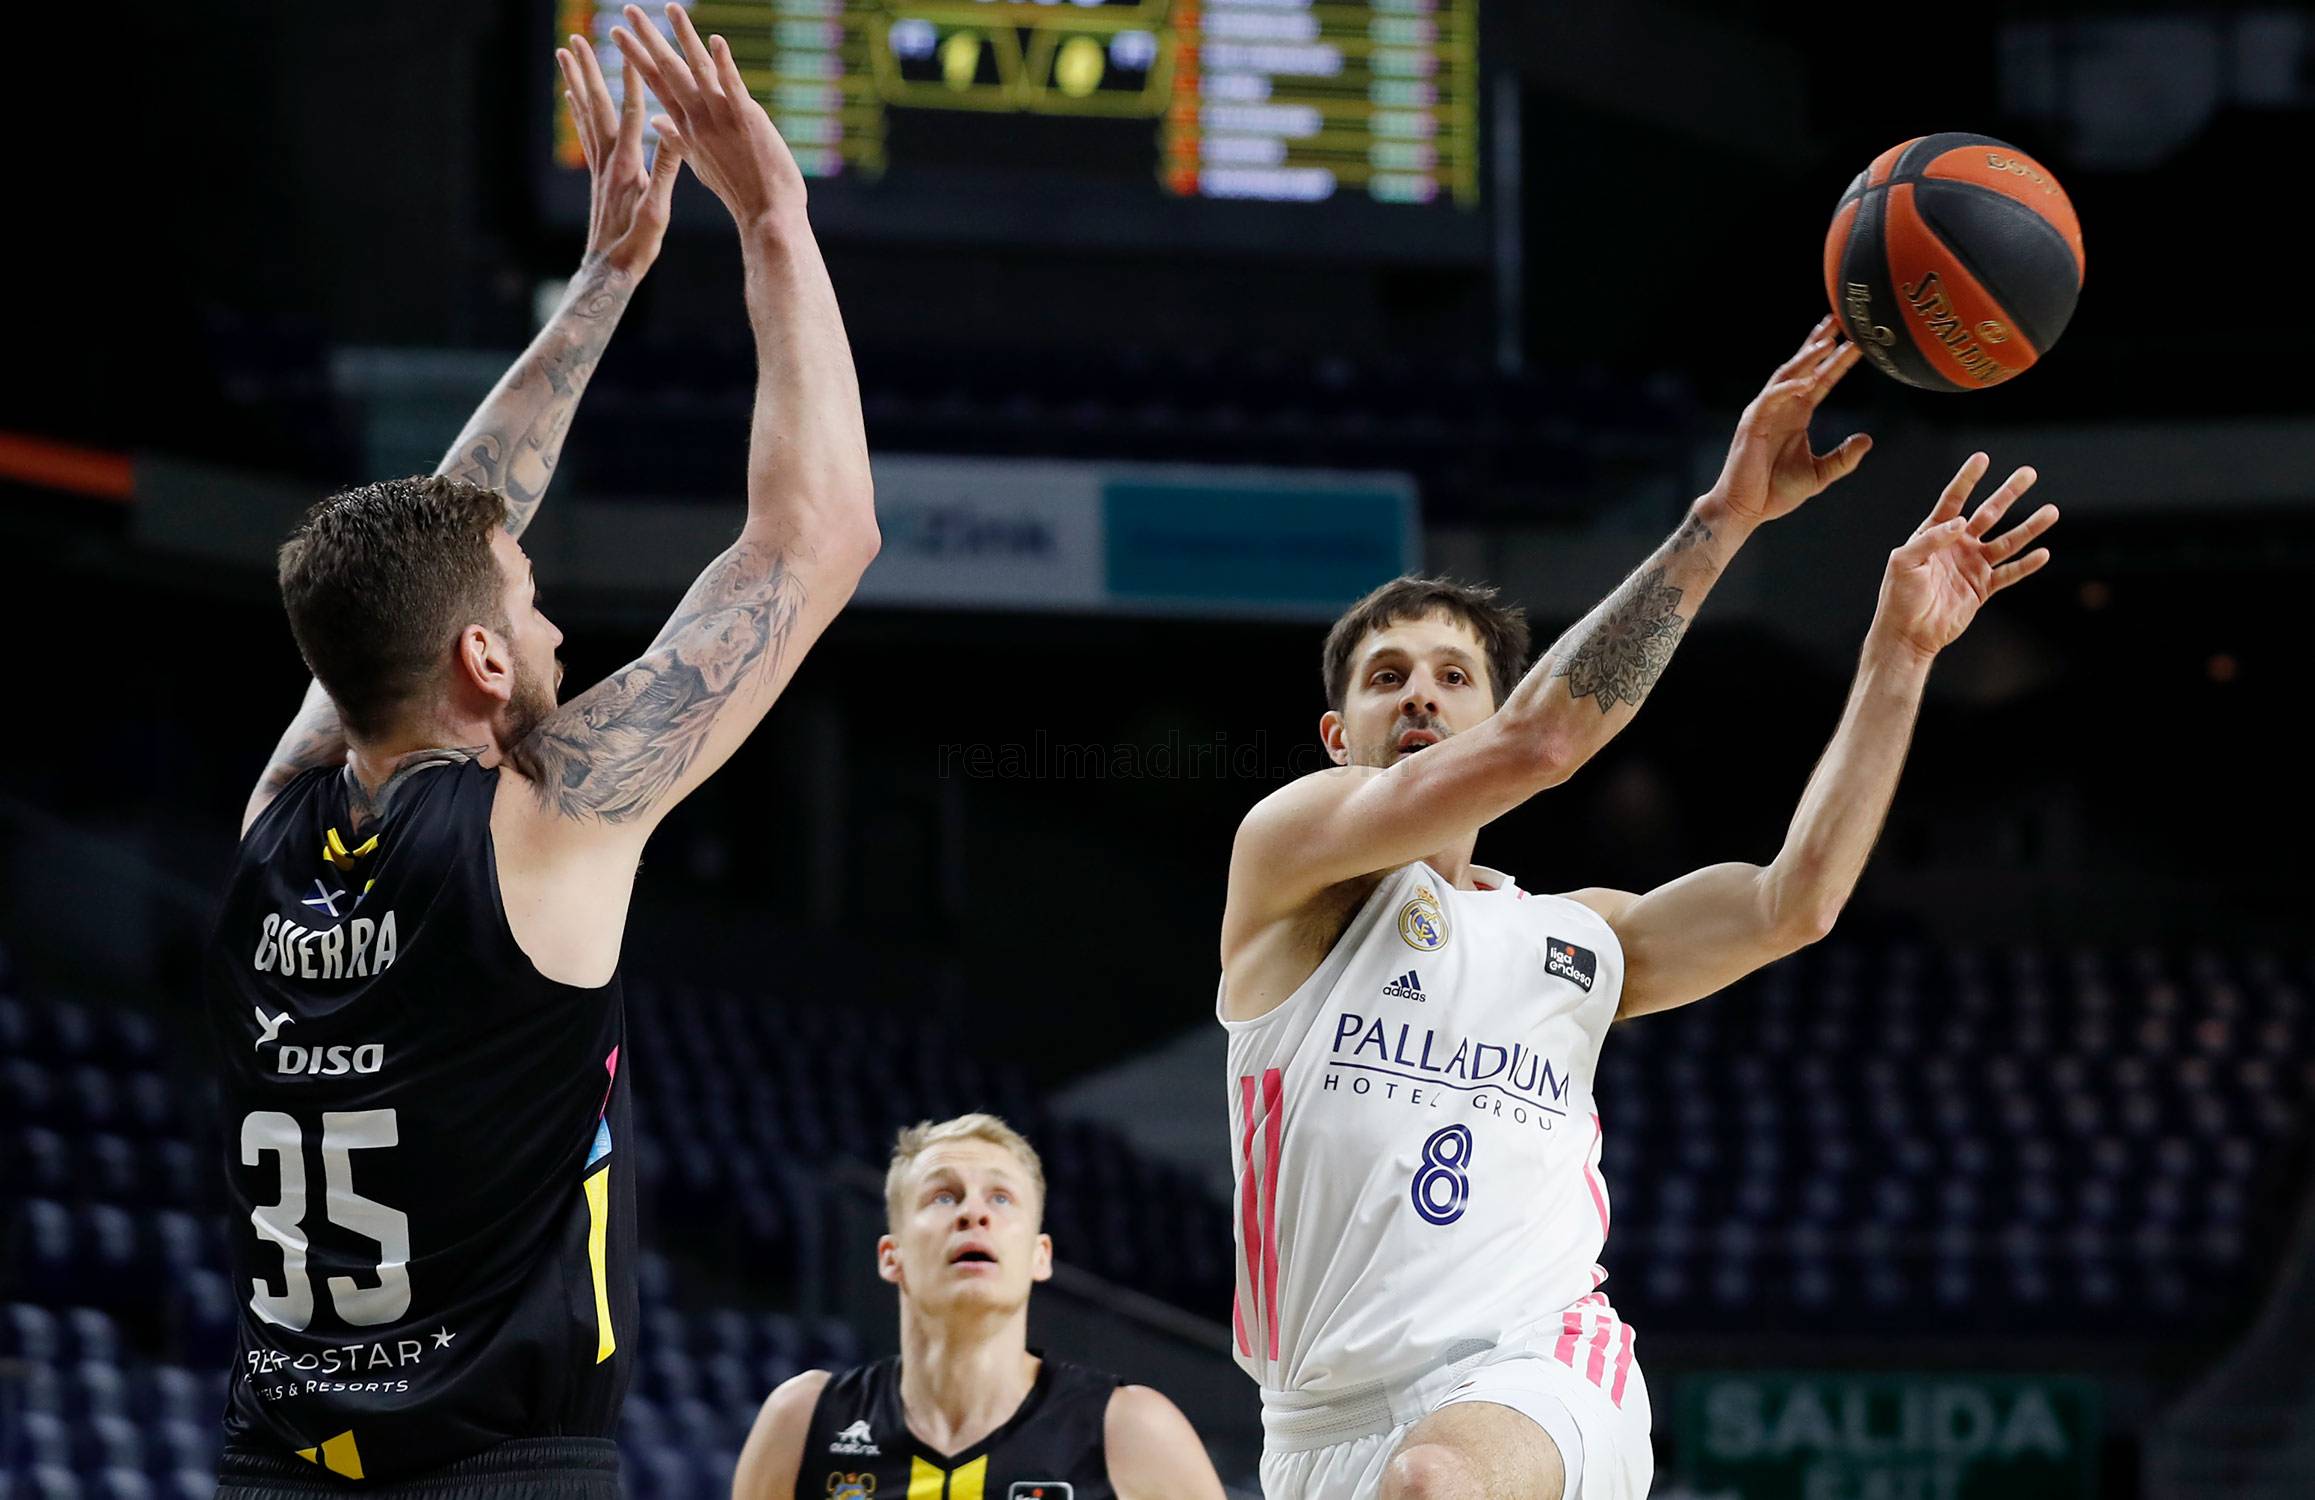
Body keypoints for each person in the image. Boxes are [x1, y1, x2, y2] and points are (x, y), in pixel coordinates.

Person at [206, 8, 878, 1493]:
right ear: (482, 660)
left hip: (275, 1462)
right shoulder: (547, 819)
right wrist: (773, 220)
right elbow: (818, 538)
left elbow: (422, 560)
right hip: (496, 1471)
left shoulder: (277, 818)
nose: (559, 629)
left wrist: (602, 284)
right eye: (532, 605)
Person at [1218, 322, 2059, 1499]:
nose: (1418, 697)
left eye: (1453, 678)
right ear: (1333, 735)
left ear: (1491, 711)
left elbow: (1792, 902)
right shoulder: (1288, 860)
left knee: (1431, 1484)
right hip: (1312, 1425)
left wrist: (1896, 654)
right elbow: (1540, 744)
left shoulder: (1577, 938)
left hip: (1537, 1369)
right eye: (1386, 677)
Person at [732, 1114, 1228, 1500]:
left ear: (1040, 1256)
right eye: (943, 1196)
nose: (974, 1212)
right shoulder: (803, 1421)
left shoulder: (1130, 1428)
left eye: (1001, 1197)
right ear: (891, 1256)